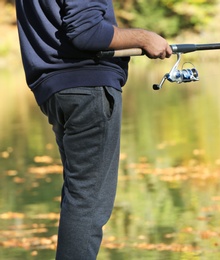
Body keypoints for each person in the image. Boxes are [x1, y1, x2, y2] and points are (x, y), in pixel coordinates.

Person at [15, 1, 172, 259]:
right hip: (87, 88)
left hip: (56, 90)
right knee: (88, 204)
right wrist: (145, 38)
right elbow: (86, 32)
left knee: (78, 198)